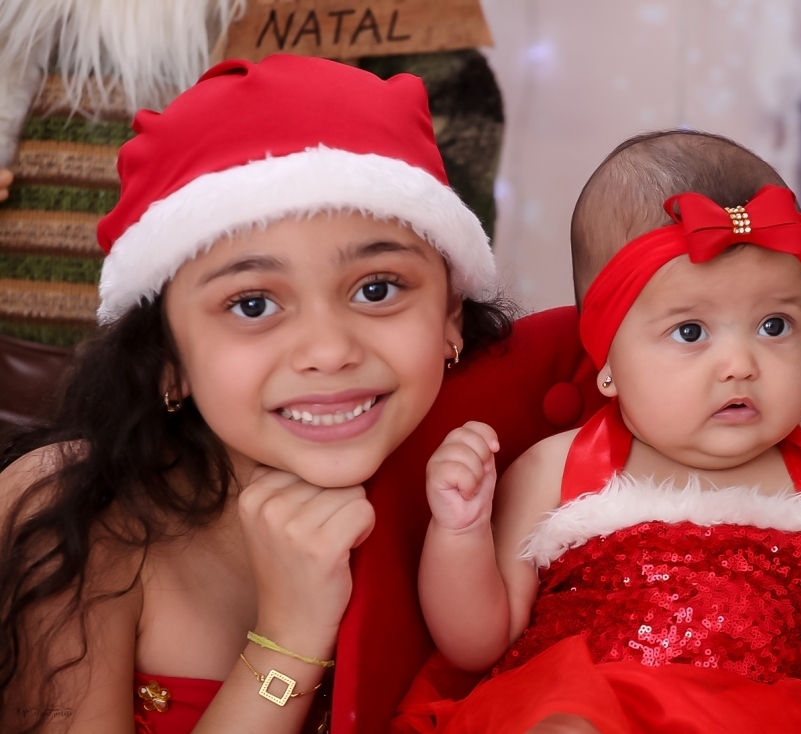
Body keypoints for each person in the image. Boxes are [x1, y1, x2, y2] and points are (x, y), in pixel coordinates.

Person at [408, 131, 801, 733]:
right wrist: (460, 531)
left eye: (775, 325)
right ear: (608, 362)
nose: (740, 364)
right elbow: (478, 642)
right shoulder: (557, 470)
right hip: (605, 709)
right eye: (691, 332)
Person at [0, 54, 512, 734]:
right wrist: (290, 636)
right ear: (167, 358)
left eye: (377, 288)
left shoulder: (498, 493)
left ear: (450, 316)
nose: (328, 350)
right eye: (251, 305)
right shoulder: (71, 521)